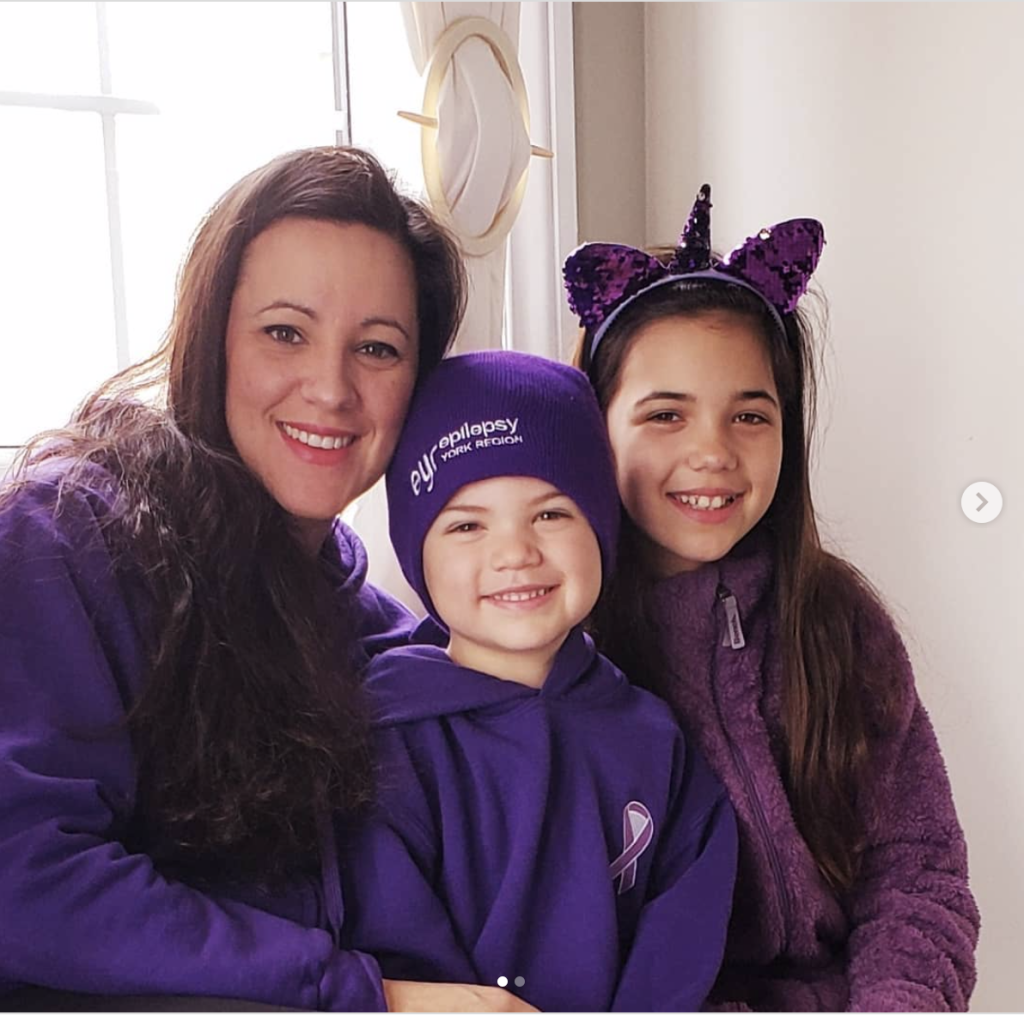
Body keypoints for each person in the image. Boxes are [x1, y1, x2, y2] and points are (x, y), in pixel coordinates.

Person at [0, 145, 534, 1013]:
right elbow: (22, 875)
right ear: (212, 337)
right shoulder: (67, 540)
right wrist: (367, 994)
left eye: (378, 347)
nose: (330, 388)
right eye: (285, 332)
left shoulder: (381, 635)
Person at [562, 185, 981, 1011]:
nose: (712, 452)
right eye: (665, 415)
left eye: (749, 414)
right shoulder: (556, 643)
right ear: (593, 423)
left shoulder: (838, 623)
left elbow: (919, 870)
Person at [338, 350, 738, 1012]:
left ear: (600, 525)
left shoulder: (655, 738)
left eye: (550, 514)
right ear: (418, 553)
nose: (515, 552)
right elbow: (391, 942)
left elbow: (682, 935)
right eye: (467, 524)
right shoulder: (379, 740)